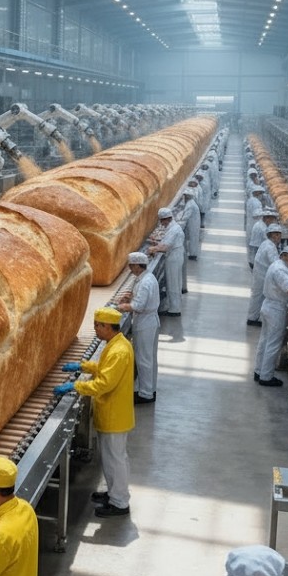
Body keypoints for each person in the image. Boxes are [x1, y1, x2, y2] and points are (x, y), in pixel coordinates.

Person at [54, 307, 134, 517]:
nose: (95, 330)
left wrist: (75, 387)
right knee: (111, 458)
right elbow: (104, 368)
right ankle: (115, 493)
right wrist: (83, 366)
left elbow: (104, 384)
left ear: (108, 327)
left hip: (115, 415)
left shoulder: (119, 351)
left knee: (115, 459)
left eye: (98, 326)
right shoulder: (116, 344)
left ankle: (120, 503)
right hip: (112, 413)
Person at [255, 246, 288, 386]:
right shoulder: (280, 269)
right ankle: (266, 377)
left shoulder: (276, 265)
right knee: (273, 343)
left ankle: (258, 371)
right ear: (286, 256)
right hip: (275, 309)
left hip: (268, 306)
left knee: (264, 341)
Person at [118, 251, 159, 404]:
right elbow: (140, 298)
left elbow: (139, 306)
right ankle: (150, 389)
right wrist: (130, 296)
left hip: (145, 323)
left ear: (137, 265)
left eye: (131, 265)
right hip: (150, 321)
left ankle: (145, 394)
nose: (129, 268)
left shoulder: (146, 282)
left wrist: (122, 306)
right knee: (150, 358)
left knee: (143, 359)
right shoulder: (145, 278)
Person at [147, 207, 186, 316]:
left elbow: (165, 247)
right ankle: (173, 306)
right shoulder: (172, 227)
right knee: (174, 282)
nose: (161, 223)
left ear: (166, 219)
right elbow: (165, 242)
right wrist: (156, 244)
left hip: (174, 257)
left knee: (173, 283)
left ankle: (174, 310)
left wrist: (153, 249)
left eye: (161, 221)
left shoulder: (174, 229)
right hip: (175, 255)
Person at [247, 224, 284, 326]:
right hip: (262, 276)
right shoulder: (270, 247)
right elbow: (275, 264)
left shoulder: (267, 244)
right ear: (271, 235)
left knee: (257, 297)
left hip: (260, 274)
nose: (278, 237)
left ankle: (253, 317)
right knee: (258, 297)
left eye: (279, 234)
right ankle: (252, 319)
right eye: (276, 234)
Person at [181, 187, 202, 260]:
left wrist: (179, 223)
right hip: (193, 223)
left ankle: (193, 255)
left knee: (193, 239)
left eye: (184, 196)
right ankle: (193, 253)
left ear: (187, 196)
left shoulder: (190, 205)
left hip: (193, 224)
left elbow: (186, 217)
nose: (183, 197)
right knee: (193, 238)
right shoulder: (191, 202)